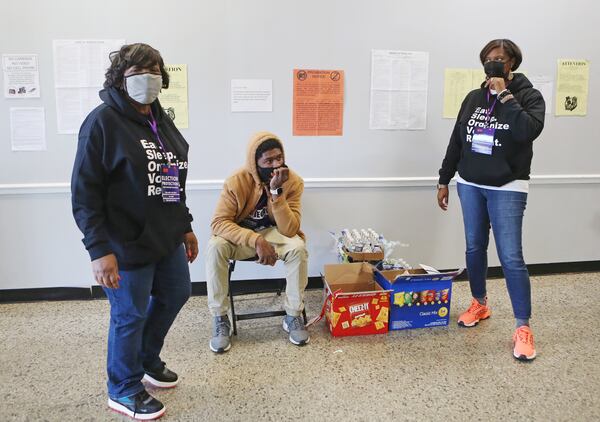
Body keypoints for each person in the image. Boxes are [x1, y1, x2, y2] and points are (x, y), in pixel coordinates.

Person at [71, 43, 198, 420]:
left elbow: (173, 177)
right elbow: (84, 192)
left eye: (154, 70)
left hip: (165, 235)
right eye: (138, 72)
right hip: (123, 243)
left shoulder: (160, 119)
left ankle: (145, 358)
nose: (148, 78)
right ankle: (123, 388)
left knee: (177, 292)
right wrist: (99, 249)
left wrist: (185, 225)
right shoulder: (102, 123)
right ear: (120, 79)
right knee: (130, 314)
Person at [437, 39, 545, 361]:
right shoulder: (472, 98)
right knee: (473, 247)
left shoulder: (528, 96)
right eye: (487, 60)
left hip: (508, 186)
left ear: (512, 63)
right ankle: (479, 303)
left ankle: (522, 327)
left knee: (511, 257)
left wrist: (504, 95)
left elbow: (527, 131)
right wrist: (444, 178)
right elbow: (458, 140)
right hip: (469, 183)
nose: (492, 64)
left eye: (499, 59)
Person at [206, 132, 309, 353]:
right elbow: (218, 223)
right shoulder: (236, 181)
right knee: (215, 247)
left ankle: (293, 315)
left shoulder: (293, 181)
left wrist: (275, 192)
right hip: (242, 237)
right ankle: (221, 318)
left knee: (298, 248)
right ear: (255, 162)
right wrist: (255, 240)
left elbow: (290, 230)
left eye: (279, 158)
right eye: (268, 161)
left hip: (274, 234)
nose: (275, 165)